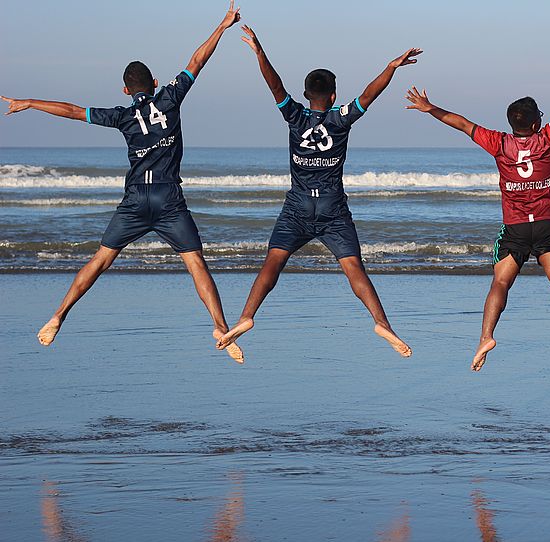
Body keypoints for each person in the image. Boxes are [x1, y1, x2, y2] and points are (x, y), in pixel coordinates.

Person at [1, 2, 246, 363]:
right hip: (168, 199)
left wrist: (29, 102)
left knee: (100, 261)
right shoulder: (170, 97)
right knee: (196, 265)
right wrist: (222, 26)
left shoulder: (122, 115)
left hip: (135, 200)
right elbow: (197, 60)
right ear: (156, 83)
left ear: (125, 91)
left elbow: (72, 110)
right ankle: (221, 328)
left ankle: (56, 317)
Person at [404, 62, 550, 371]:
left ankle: (486, 336)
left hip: (515, 228)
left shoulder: (499, 143)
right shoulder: (549, 137)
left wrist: (430, 108)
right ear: (537, 123)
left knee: (501, 281)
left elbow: (463, 124)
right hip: (547, 226)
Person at [215, 25, 417, 358]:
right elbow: (370, 93)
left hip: (297, 207)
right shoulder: (340, 118)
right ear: (334, 96)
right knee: (354, 268)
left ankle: (246, 316)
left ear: (307, 95)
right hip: (332, 208)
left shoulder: (294, 115)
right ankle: (382, 323)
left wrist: (260, 53)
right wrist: (391, 67)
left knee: (273, 263)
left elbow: (275, 85)